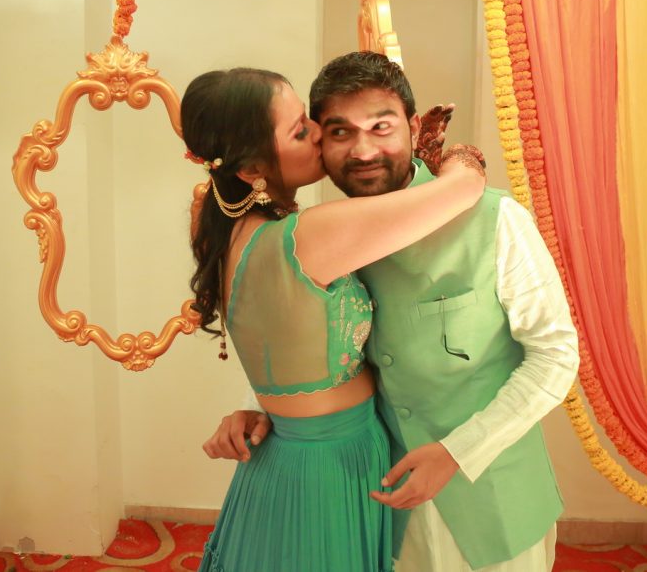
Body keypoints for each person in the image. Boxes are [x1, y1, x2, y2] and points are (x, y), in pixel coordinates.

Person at [205, 52, 579, 572]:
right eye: (338, 132)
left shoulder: (496, 219)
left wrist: (457, 452)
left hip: (490, 497)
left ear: (413, 125)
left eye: (381, 127)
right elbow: (317, 338)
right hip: (375, 500)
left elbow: (555, 356)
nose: (362, 151)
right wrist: (266, 407)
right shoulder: (327, 234)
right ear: (320, 140)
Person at [181, 66, 487, 572]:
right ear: (253, 168)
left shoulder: (231, 233)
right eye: (301, 130)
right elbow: (461, 191)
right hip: (327, 465)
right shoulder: (305, 236)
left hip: (292, 454)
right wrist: (459, 156)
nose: (320, 133)